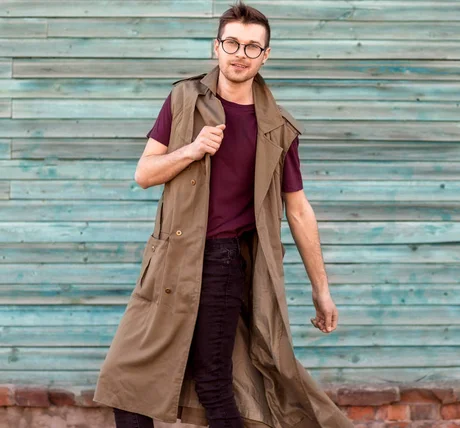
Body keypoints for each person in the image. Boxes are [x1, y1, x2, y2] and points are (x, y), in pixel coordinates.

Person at [94, 2, 351, 427]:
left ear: (266, 56)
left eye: (253, 47)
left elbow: (299, 210)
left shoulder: (278, 129)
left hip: (224, 263)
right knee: (128, 382)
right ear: (216, 47)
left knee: (215, 384)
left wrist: (321, 290)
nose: (240, 53)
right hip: (169, 262)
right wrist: (192, 150)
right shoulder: (182, 99)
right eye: (232, 42)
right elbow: (144, 173)